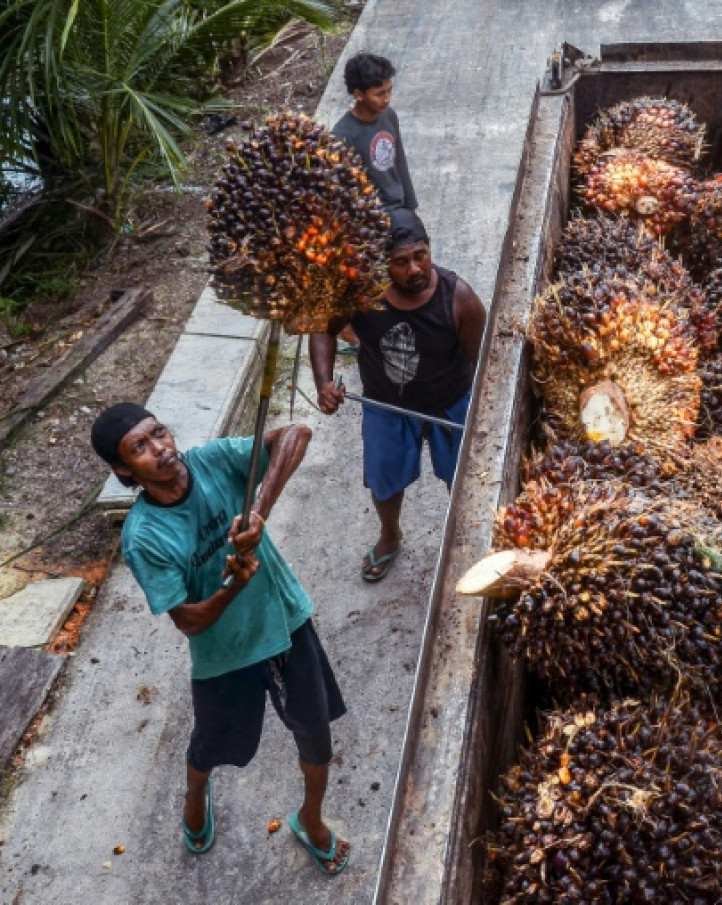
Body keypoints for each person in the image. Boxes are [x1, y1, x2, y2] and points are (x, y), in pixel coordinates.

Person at [90, 403, 350, 875]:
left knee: (316, 736)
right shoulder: (144, 537)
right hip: (224, 655)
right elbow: (187, 621)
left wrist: (258, 510)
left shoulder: (212, 460)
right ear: (124, 470)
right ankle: (195, 792)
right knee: (211, 745)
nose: (161, 449)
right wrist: (232, 587)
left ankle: (310, 817)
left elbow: (297, 432)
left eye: (159, 432)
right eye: (140, 448)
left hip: (285, 621)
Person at [310, 212, 485, 581]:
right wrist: (323, 382)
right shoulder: (361, 294)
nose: (414, 269)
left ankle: (465, 541)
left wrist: (480, 413)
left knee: (465, 480)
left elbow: (485, 363)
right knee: (384, 480)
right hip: (385, 406)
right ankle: (390, 535)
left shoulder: (460, 299)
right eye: (400, 262)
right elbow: (323, 329)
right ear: (381, 263)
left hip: (450, 403)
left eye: (420, 255)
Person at [332, 52, 418, 215]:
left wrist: (411, 207)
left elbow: (399, 162)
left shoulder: (389, 116)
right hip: (372, 216)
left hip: (399, 208)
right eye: (380, 94)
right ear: (358, 95)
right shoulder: (342, 136)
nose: (387, 99)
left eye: (389, 91)